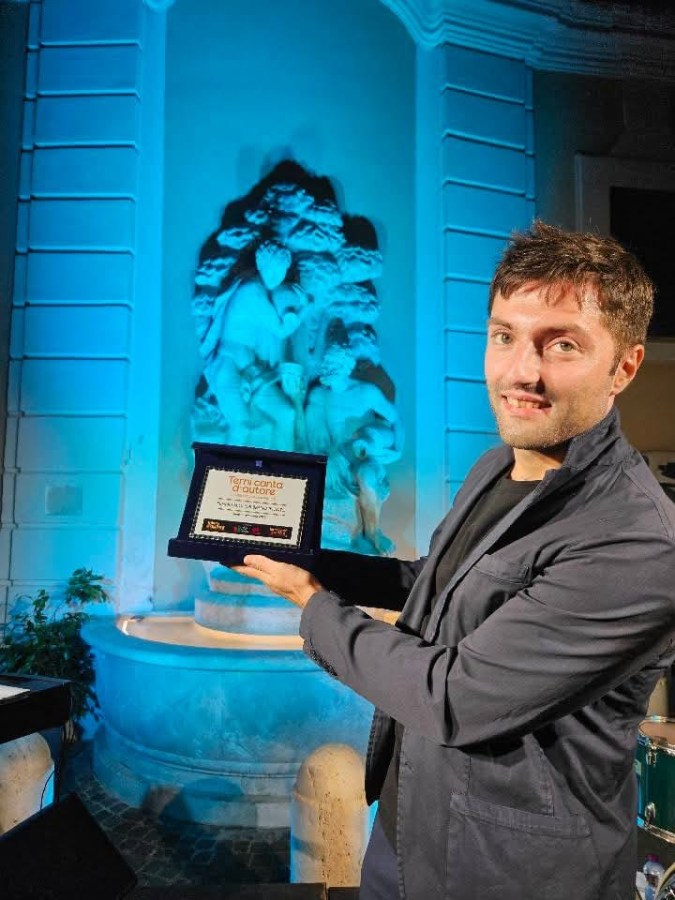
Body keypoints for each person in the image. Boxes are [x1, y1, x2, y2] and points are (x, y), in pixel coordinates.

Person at [233, 222, 675, 900]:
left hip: (515, 870)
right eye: (503, 336)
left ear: (623, 366)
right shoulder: (498, 464)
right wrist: (309, 556)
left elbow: (453, 696)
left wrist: (312, 604)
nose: (520, 372)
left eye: (560, 345)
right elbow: (429, 582)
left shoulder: (636, 543)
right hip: (409, 834)